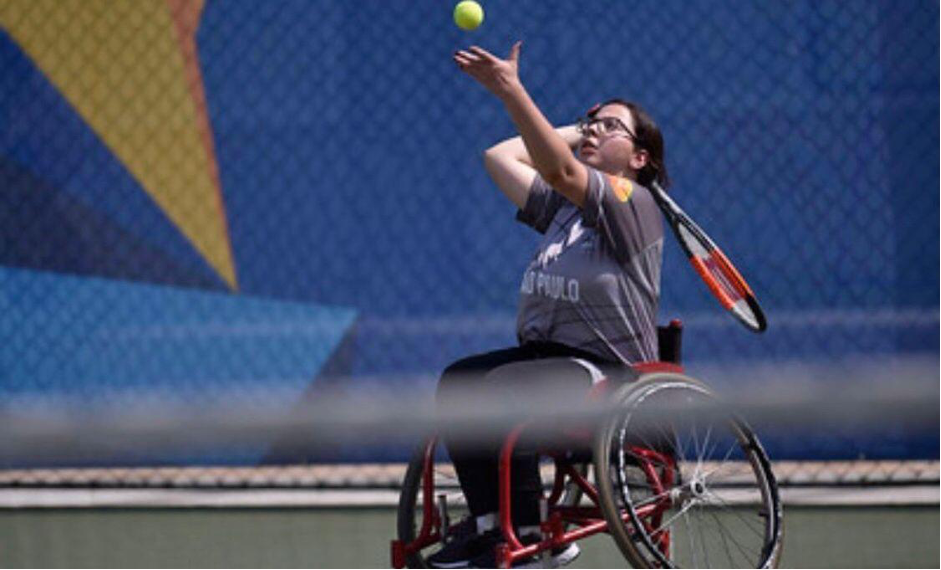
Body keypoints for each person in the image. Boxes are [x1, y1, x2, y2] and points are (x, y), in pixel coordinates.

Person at [430, 41, 671, 569]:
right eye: (592, 122)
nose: (594, 129)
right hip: (551, 360)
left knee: (503, 391)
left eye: (611, 127)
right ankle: (493, 530)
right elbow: (501, 157)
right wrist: (581, 130)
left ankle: (540, 537)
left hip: (612, 376)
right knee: (458, 382)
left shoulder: (634, 201)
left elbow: (561, 171)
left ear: (639, 158)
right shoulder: (567, 211)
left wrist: (511, 90)